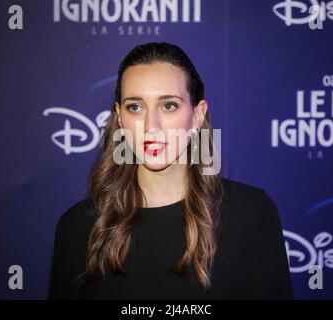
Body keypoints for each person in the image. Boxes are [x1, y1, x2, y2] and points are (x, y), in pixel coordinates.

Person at [48, 42, 293, 299]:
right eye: (135, 107)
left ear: (198, 116)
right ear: (120, 117)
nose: (150, 125)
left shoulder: (252, 214)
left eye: (169, 106)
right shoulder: (77, 228)